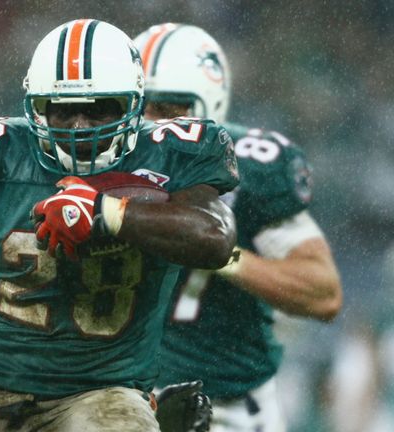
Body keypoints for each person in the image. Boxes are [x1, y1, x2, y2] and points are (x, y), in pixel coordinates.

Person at [0, 19, 239, 432]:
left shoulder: (168, 155)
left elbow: (215, 238)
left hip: (101, 391)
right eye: (63, 108)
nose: (78, 125)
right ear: (37, 107)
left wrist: (107, 213)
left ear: (134, 105)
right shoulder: (0, 159)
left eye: (97, 108)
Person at [134, 23, 343, 431]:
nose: (150, 122)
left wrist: (219, 253)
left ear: (209, 105)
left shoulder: (249, 168)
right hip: (117, 398)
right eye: (138, 106)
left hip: (224, 408)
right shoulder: (97, 164)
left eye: (167, 106)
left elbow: (323, 292)